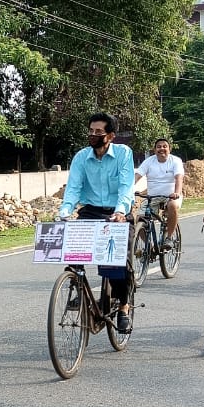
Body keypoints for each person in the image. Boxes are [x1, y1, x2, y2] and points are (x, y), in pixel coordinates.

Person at [58, 112, 135, 333]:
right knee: (74, 253)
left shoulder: (123, 153)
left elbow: (125, 186)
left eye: (98, 132)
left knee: (117, 265)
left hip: (116, 212)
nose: (93, 135)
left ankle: (123, 308)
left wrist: (121, 211)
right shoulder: (81, 157)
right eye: (90, 131)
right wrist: (65, 211)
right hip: (90, 210)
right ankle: (78, 288)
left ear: (110, 136)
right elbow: (73, 187)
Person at [134, 138, 185, 245]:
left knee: (172, 206)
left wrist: (177, 193)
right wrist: (129, 189)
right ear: (154, 150)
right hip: (152, 197)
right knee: (139, 219)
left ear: (169, 149)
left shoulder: (176, 161)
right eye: (159, 147)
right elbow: (137, 176)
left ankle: (169, 238)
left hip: (171, 196)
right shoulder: (149, 161)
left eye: (164, 146)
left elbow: (179, 178)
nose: (162, 148)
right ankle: (149, 246)